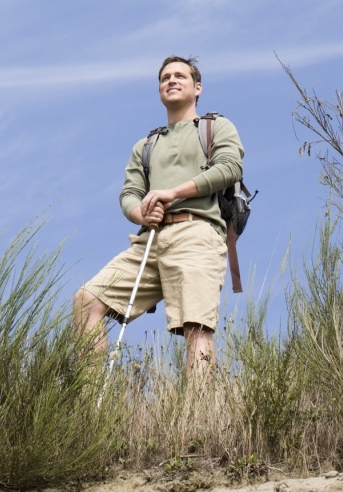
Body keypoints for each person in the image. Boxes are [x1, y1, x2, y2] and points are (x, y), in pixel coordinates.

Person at [73, 55, 244, 372]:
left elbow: (230, 168)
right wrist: (140, 214)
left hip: (197, 234)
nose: (172, 80)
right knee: (87, 300)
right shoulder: (146, 145)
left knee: (196, 327)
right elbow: (129, 194)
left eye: (180, 75)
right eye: (165, 77)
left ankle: (195, 417)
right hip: (150, 240)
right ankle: (86, 412)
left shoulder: (215, 127)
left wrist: (173, 193)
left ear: (197, 87)